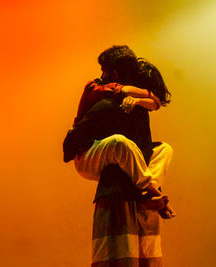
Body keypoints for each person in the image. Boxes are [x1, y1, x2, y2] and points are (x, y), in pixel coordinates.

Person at [63, 45, 174, 266]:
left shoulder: (137, 99)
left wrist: (142, 100)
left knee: (164, 149)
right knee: (120, 143)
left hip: (121, 162)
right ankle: (149, 192)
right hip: (86, 155)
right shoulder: (100, 93)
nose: (101, 74)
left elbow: (157, 101)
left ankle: (145, 191)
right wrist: (135, 95)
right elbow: (70, 146)